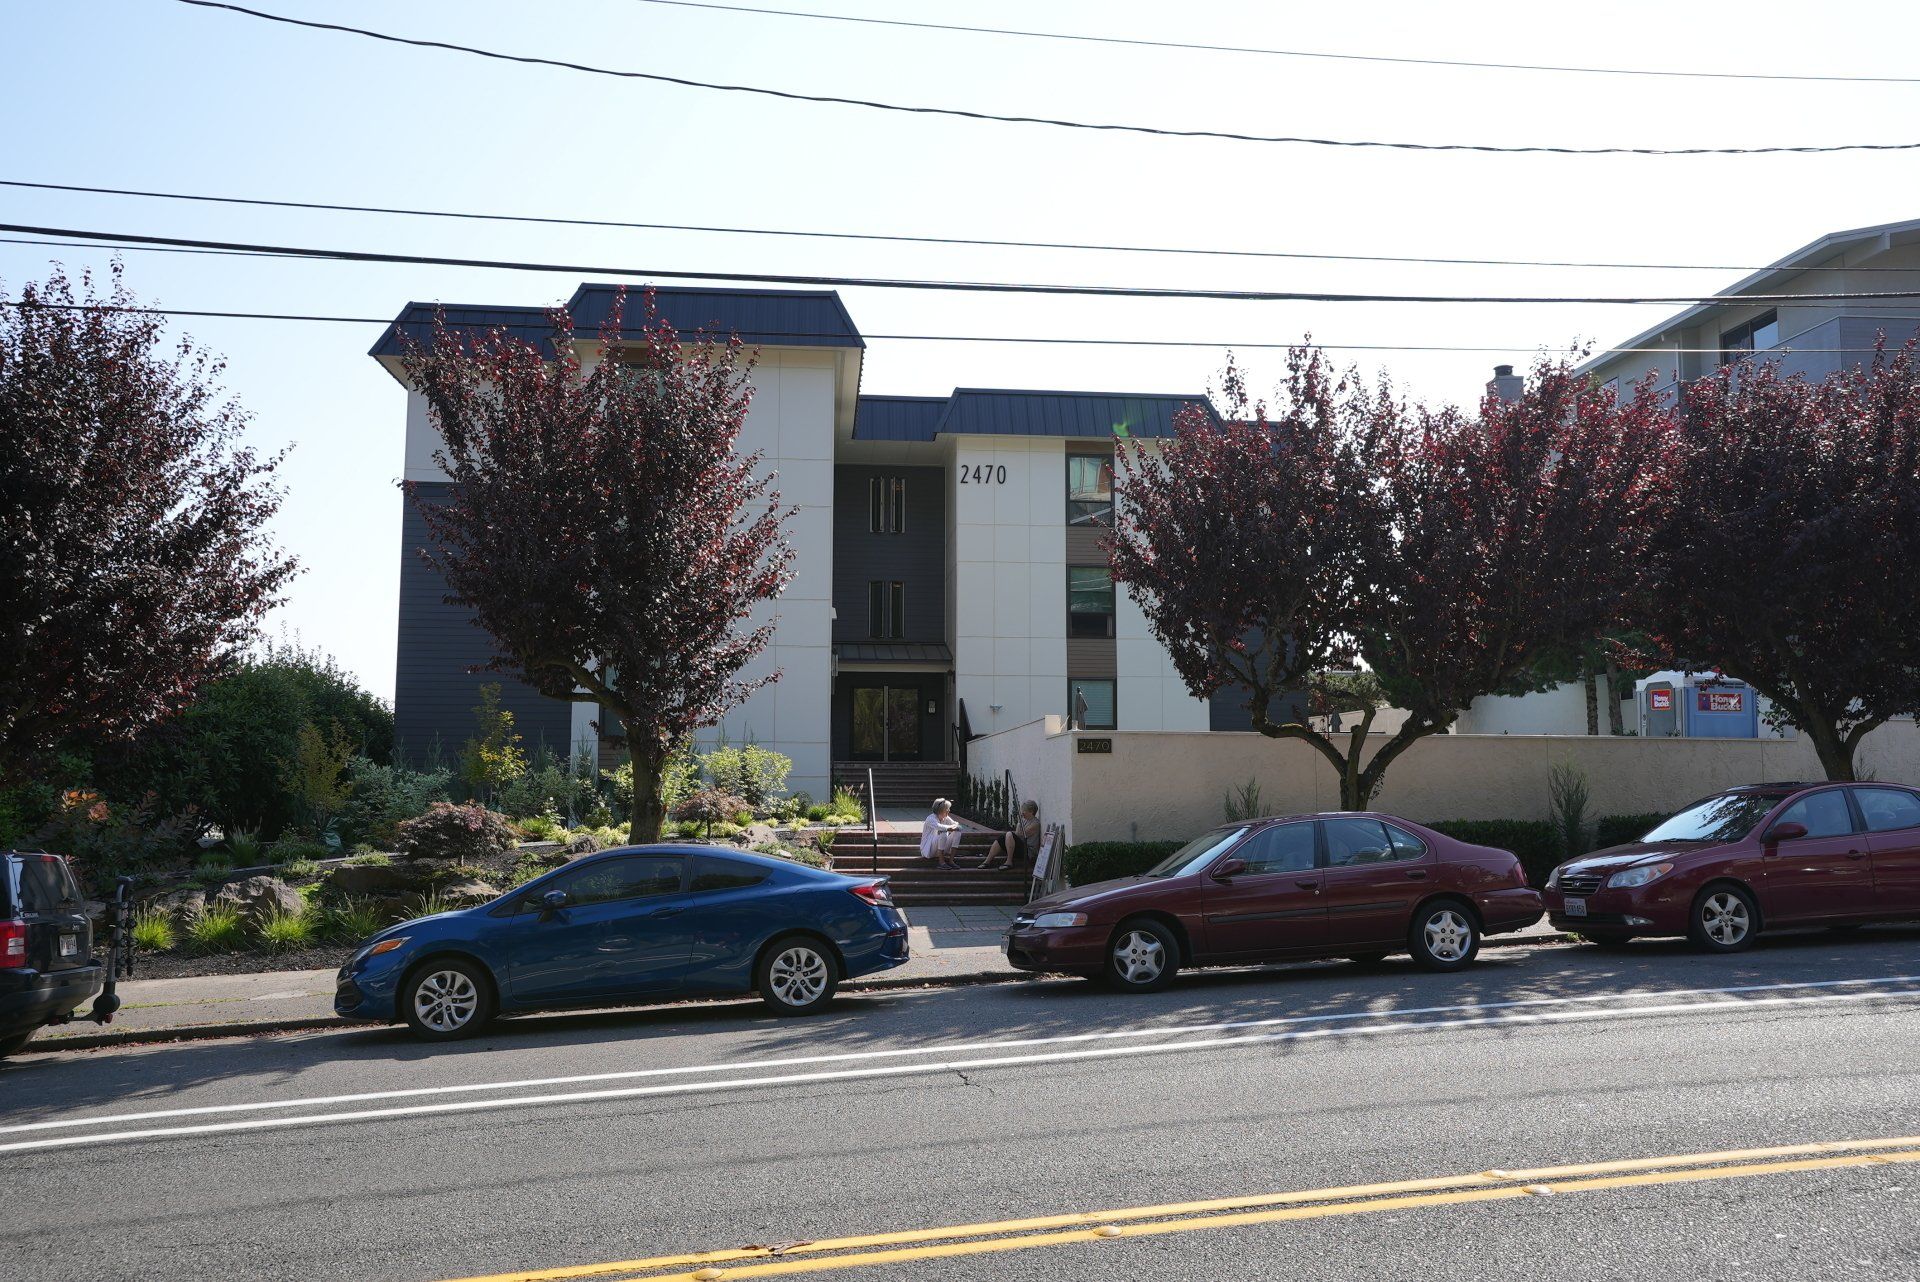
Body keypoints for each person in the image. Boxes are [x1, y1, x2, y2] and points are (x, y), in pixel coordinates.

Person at [984, 800, 1040, 871]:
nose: (1022, 813)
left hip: (1028, 852)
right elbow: (1017, 834)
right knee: (1002, 838)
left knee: (1009, 834)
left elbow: (1020, 834)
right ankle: (987, 861)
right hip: (1020, 848)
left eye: (1024, 811)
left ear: (1031, 811)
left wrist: (1019, 822)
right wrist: (1020, 822)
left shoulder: (1035, 823)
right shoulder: (1024, 820)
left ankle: (1009, 862)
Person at [920, 798, 963, 869]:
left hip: (940, 848)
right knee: (943, 832)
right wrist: (952, 827)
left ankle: (951, 861)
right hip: (928, 850)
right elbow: (941, 827)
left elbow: (959, 826)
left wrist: (954, 827)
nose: (949, 810)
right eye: (947, 809)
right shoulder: (930, 819)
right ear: (940, 810)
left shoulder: (945, 817)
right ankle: (941, 862)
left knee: (957, 832)